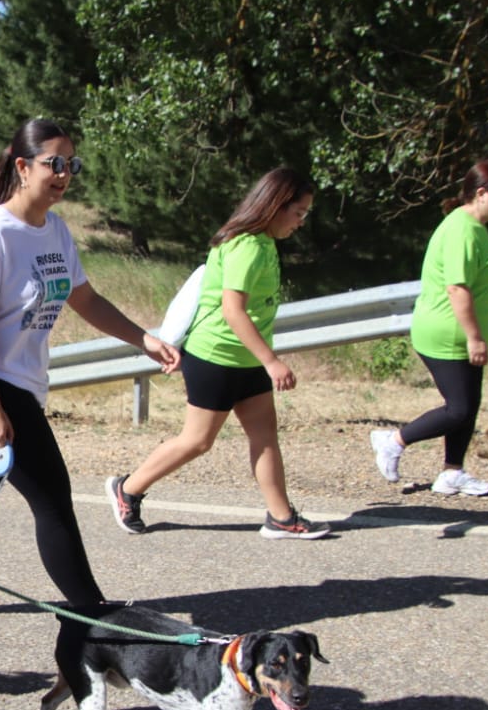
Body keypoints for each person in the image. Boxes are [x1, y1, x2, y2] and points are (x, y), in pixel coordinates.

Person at [0, 118, 179, 616]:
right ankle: (95, 616)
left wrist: (143, 338)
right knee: (52, 498)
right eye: (55, 163)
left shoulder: (55, 230)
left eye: (72, 164)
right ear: (23, 167)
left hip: (22, 385)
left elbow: (85, 298)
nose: (65, 174)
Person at [105, 167, 330, 539]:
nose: (301, 221)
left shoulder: (263, 243)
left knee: (264, 435)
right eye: (299, 212)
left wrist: (262, 359)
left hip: (247, 358)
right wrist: (272, 361)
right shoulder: (247, 246)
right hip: (216, 357)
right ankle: (127, 489)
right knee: (197, 441)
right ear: (276, 205)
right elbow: (233, 311)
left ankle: (281, 517)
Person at [368, 157, 488, 496]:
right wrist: (475, 337)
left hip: (462, 336)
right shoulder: (462, 231)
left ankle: (452, 472)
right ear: (482, 193)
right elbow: (457, 288)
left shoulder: (475, 228)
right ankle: (392, 441)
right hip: (447, 334)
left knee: (469, 404)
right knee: (458, 408)